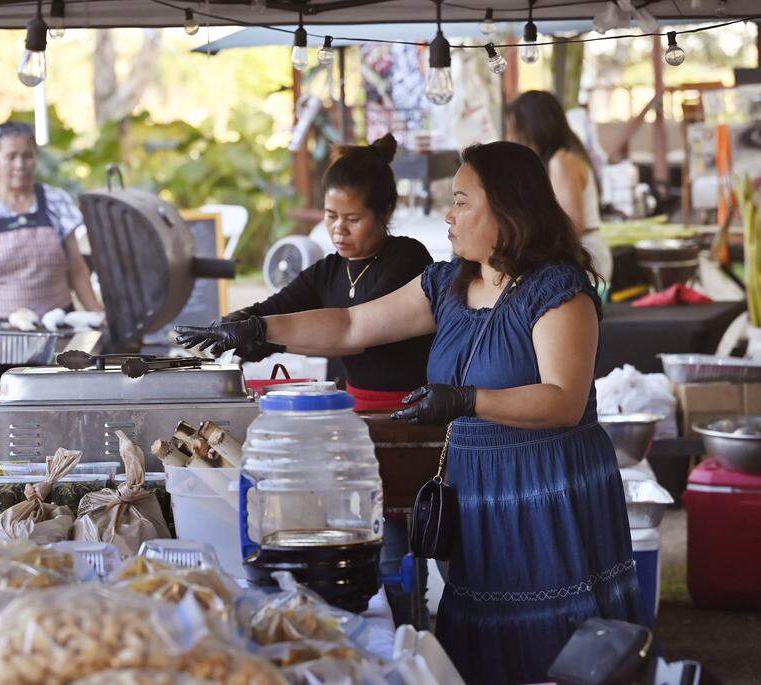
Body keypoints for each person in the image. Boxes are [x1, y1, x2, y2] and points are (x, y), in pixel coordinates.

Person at [176, 141, 644, 684]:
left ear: (508, 209)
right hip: (477, 488)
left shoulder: (558, 290)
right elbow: (352, 326)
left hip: (546, 489)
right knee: (487, 641)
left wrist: (470, 401)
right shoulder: (448, 283)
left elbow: (563, 400)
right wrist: (260, 329)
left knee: (557, 642)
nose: (449, 214)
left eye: (462, 201)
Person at [217, 133, 433, 625]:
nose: (339, 230)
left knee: (403, 541)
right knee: (364, 533)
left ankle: (414, 627)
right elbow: (273, 309)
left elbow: (352, 334)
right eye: (330, 217)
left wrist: (264, 335)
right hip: (359, 423)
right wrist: (231, 327)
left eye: (353, 219)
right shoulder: (328, 270)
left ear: (384, 214)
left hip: (413, 423)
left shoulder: (408, 260)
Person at [0, 121, 102, 322]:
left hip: (56, 324)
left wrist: (98, 317)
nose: (20, 165)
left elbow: (77, 269)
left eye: (27, 156)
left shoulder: (56, 201)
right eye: (11, 157)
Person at [506, 90, 613, 283]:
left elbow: (572, 225)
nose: (512, 139)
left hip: (584, 256)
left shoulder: (561, 161)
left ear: (534, 128)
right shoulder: (562, 158)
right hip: (581, 255)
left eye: (516, 132)